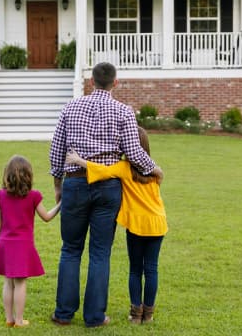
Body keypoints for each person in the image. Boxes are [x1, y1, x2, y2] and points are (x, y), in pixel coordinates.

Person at [48, 62, 164, 328]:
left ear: (91, 81)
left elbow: (57, 149)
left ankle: (64, 314)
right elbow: (134, 153)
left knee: (70, 249)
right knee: (100, 252)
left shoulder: (70, 107)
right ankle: (94, 317)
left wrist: (57, 185)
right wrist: (154, 167)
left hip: (75, 183)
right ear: (115, 83)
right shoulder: (123, 111)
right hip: (108, 188)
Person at [66, 127, 167, 325]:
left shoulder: (124, 167)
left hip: (137, 225)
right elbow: (159, 178)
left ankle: (136, 314)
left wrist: (78, 161)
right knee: (152, 269)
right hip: (157, 222)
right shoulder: (154, 170)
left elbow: (102, 171)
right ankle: (149, 314)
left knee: (136, 270)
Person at [0, 155, 61, 328]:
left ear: (7, 175)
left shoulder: (0, 196)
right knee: (20, 283)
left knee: (8, 282)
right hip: (23, 246)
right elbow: (47, 217)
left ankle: (9, 319)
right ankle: (19, 321)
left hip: (4, 244)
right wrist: (61, 204)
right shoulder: (33, 196)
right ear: (29, 176)